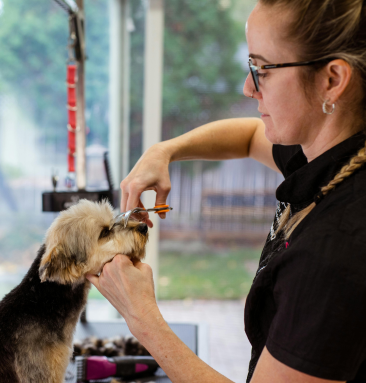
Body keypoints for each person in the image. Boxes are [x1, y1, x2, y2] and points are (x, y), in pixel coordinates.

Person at [86, 0, 366, 381]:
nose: (248, 87)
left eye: (261, 69)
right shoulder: (332, 151)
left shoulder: (335, 252)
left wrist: (142, 318)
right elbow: (250, 136)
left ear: (332, 80)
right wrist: (165, 150)